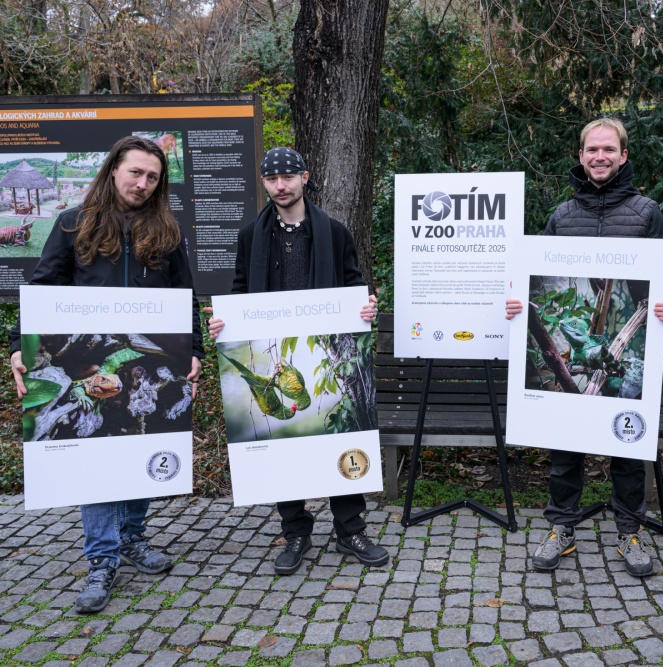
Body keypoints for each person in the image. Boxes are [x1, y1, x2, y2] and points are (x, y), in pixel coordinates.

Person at [9, 135, 204, 613]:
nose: (142, 183)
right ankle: (101, 560)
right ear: (114, 169)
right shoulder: (73, 225)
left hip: (144, 365)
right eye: (135, 172)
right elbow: (41, 288)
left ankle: (134, 537)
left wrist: (193, 350)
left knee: (141, 443)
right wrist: (19, 346)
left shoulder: (168, 232)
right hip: (89, 364)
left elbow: (186, 296)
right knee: (96, 465)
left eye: (152, 177)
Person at [505, 118, 663, 577]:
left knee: (628, 448)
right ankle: (561, 527)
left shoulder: (647, 213)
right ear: (581, 156)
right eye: (591, 150)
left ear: (623, 156)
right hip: (583, 365)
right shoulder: (563, 216)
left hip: (623, 352)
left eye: (609, 149)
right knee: (565, 449)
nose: (599, 157)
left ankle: (629, 531)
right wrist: (517, 300)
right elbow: (533, 269)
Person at [206, 147, 387, 574]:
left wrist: (365, 307)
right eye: (272, 179)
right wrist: (225, 324)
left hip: (320, 349)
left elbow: (353, 283)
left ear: (304, 178)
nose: (280, 186)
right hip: (276, 355)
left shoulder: (334, 232)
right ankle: (296, 530)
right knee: (282, 444)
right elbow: (238, 289)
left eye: (288, 176)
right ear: (265, 183)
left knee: (334, 430)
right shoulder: (251, 235)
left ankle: (350, 529)